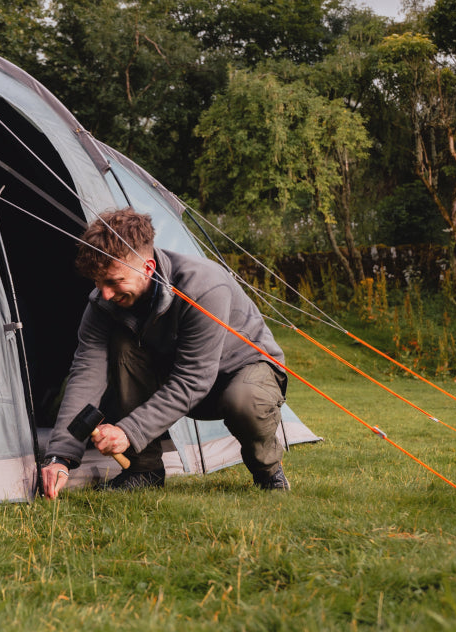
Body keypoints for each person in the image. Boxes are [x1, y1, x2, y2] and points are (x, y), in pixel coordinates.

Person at [40, 208, 290, 499]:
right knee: (122, 346)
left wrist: (127, 432)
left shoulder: (203, 285)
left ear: (147, 268)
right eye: (98, 282)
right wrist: (60, 455)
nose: (104, 294)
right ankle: (143, 471)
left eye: (113, 281)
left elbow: (194, 378)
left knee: (242, 399)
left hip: (244, 371)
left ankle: (268, 470)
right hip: (183, 380)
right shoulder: (103, 303)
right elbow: (87, 372)